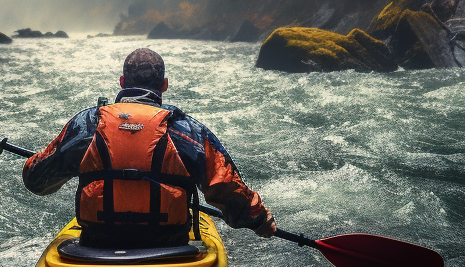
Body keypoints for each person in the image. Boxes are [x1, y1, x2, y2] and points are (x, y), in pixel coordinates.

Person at [22, 46, 276, 247]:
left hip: (97, 243)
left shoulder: (88, 124)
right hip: (169, 245)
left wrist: (70, 160)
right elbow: (226, 185)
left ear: (123, 81)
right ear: (163, 85)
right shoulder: (184, 129)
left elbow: (36, 180)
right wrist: (259, 219)